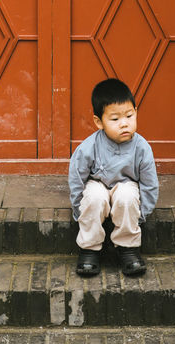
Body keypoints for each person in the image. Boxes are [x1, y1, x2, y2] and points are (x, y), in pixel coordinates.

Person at [68, 77, 159, 278]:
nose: (124, 124)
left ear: (136, 112)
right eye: (115, 119)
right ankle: (90, 249)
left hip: (125, 187)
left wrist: (141, 214)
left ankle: (128, 248)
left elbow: (149, 184)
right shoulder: (89, 147)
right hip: (97, 186)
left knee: (127, 195)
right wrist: (78, 209)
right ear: (99, 122)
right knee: (94, 196)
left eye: (129, 115)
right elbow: (76, 180)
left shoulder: (141, 147)